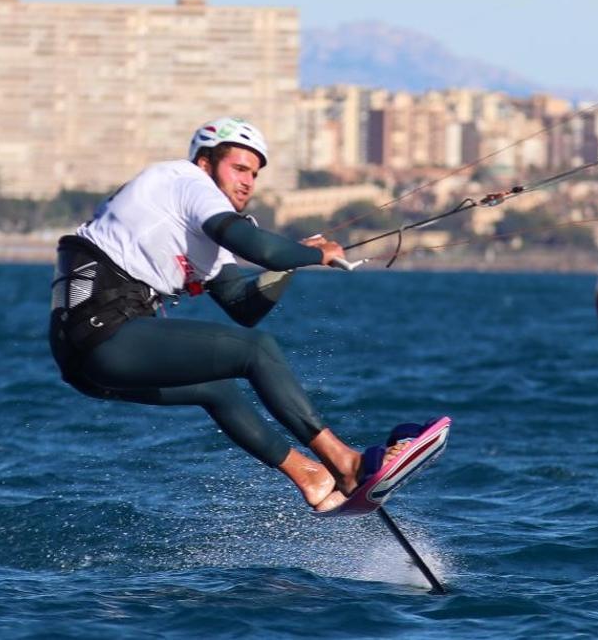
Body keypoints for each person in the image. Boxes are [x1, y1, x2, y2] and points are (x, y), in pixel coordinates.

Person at [48, 117, 391, 512]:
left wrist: (289, 263)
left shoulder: (200, 232)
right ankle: (344, 462)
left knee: (217, 388)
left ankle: (312, 477)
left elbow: (244, 307)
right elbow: (260, 249)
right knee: (257, 351)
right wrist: (314, 254)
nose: (248, 182)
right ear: (206, 164)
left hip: (85, 359)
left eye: (255, 174)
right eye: (239, 168)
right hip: (103, 333)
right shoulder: (186, 181)